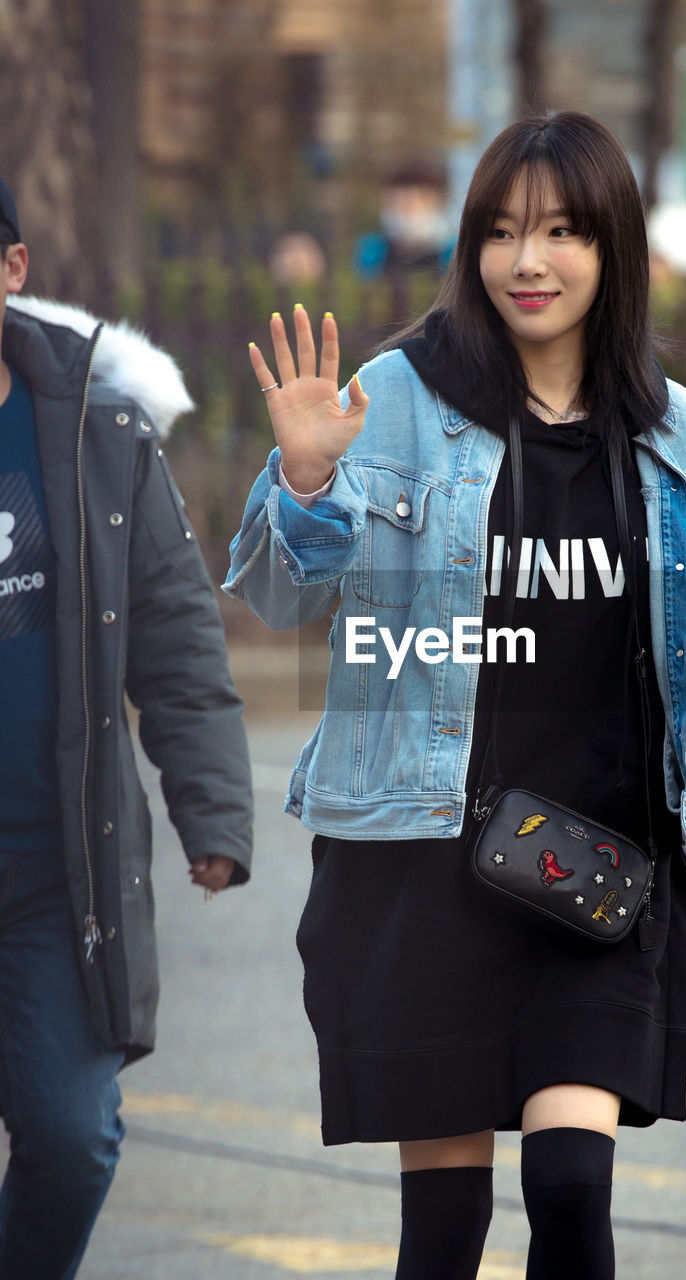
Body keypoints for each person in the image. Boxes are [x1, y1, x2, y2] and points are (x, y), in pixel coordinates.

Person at [225, 111, 686, 1279]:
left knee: (569, 1187)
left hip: (596, 865)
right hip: (423, 861)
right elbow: (275, 594)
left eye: (563, 231)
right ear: (471, 247)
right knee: (444, 1231)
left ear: (613, 251)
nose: (529, 261)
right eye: (502, 231)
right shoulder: (393, 398)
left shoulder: (674, 435)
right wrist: (303, 480)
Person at [0, 177, 253, 1279]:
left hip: (57, 873)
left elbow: (176, 639)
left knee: (71, 1134)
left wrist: (212, 809)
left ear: (10, 271)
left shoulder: (99, 438)